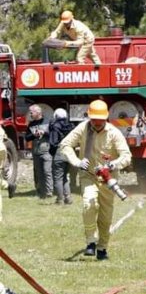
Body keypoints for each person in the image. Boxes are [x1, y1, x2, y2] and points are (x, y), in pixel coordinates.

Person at [59, 100, 132, 260]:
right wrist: (76, 161)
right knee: (88, 203)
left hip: (108, 178)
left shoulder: (114, 132)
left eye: (100, 120)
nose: (97, 123)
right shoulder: (83, 128)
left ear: (105, 118)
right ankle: (91, 241)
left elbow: (126, 156)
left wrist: (113, 164)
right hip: (89, 175)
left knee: (105, 217)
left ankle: (102, 248)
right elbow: (65, 145)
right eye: (94, 119)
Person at [49, 108, 75, 205]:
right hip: (69, 153)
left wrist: (52, 153)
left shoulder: (55, 126)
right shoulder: (71, 126)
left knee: (58, 177)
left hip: (59, 152)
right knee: (64, 177)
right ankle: (68, 198)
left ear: (55, 116)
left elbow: (53, 142)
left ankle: (60, 199)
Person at [26, 104, 52, 199]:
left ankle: (49, 192)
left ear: (38, 113)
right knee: (39, 173)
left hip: (46, 151)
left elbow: (53, 134)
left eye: (31, 112)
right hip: (36, 152)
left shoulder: (48, 122)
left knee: (47, 171)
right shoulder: (31, 124)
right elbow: (27, 138)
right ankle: (41, 192)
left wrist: (43, 132)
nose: (30, 114)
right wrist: (34, 135)